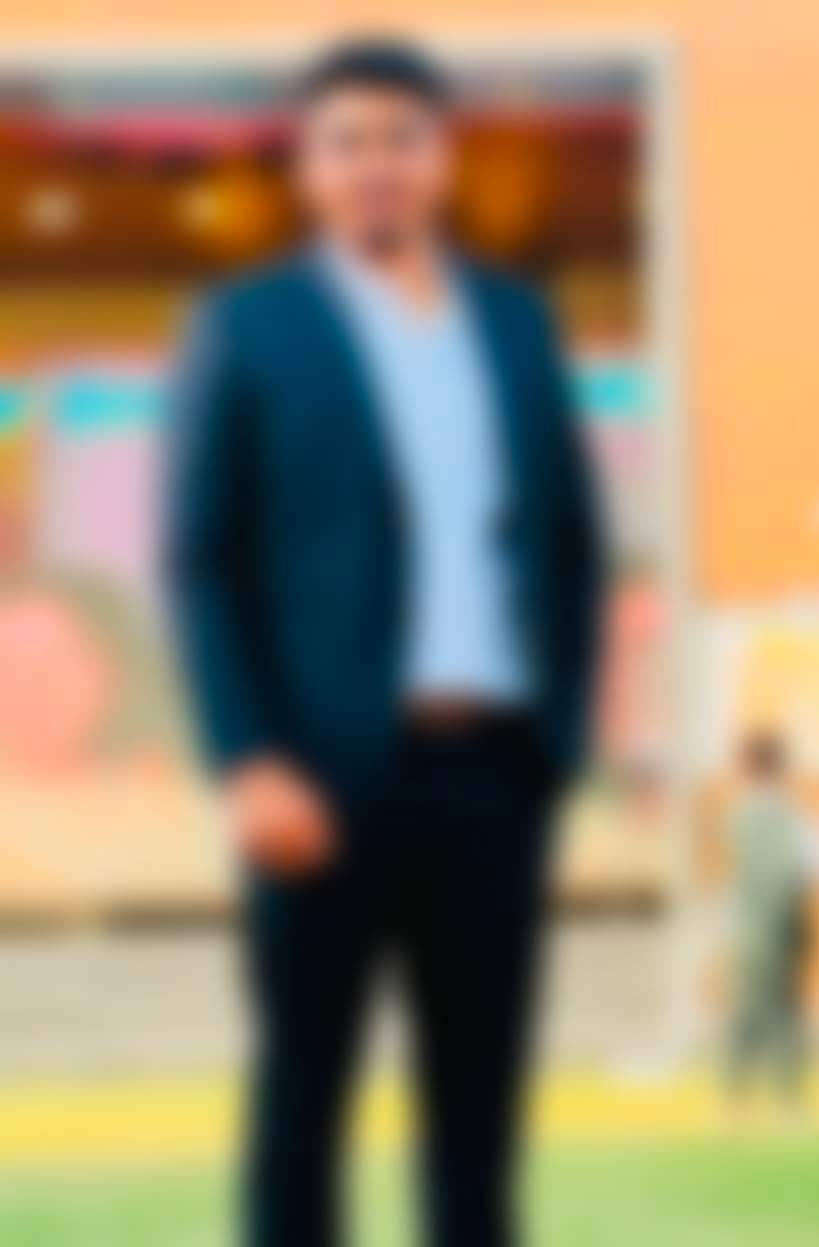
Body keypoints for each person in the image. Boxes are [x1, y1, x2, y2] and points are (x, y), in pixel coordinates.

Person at [164, 38, 601, 1247]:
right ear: (307, 168)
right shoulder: (249, 325)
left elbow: (570, 540)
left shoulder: (516, 322)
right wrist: (247, 757)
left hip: (492, 770)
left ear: (443, 159)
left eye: (403, 138)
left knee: (479, 1126)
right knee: (303, 1107)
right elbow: (202, 561)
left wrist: (558, 741)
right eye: (346, 141)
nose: (377, 164)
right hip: (320, 777)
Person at [723, 728, 819, 1118]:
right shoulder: (785, 815)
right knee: (774, 1011)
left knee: (760, 1010)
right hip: (778, 921)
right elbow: (817, 866)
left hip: (762, 925)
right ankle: (776, 1099)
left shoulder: (751, 815)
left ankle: (747, 1097)